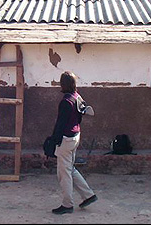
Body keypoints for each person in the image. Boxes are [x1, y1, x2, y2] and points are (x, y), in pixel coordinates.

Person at [50, 71, 98, 215]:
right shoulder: (77, 97)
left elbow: (60, 124)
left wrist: (54, 141)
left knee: (64, 173)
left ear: (62, 84)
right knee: (70, 169)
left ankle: (67, 204)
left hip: (66, 139)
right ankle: (88, 195)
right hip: (75, 136)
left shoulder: (65, 101)